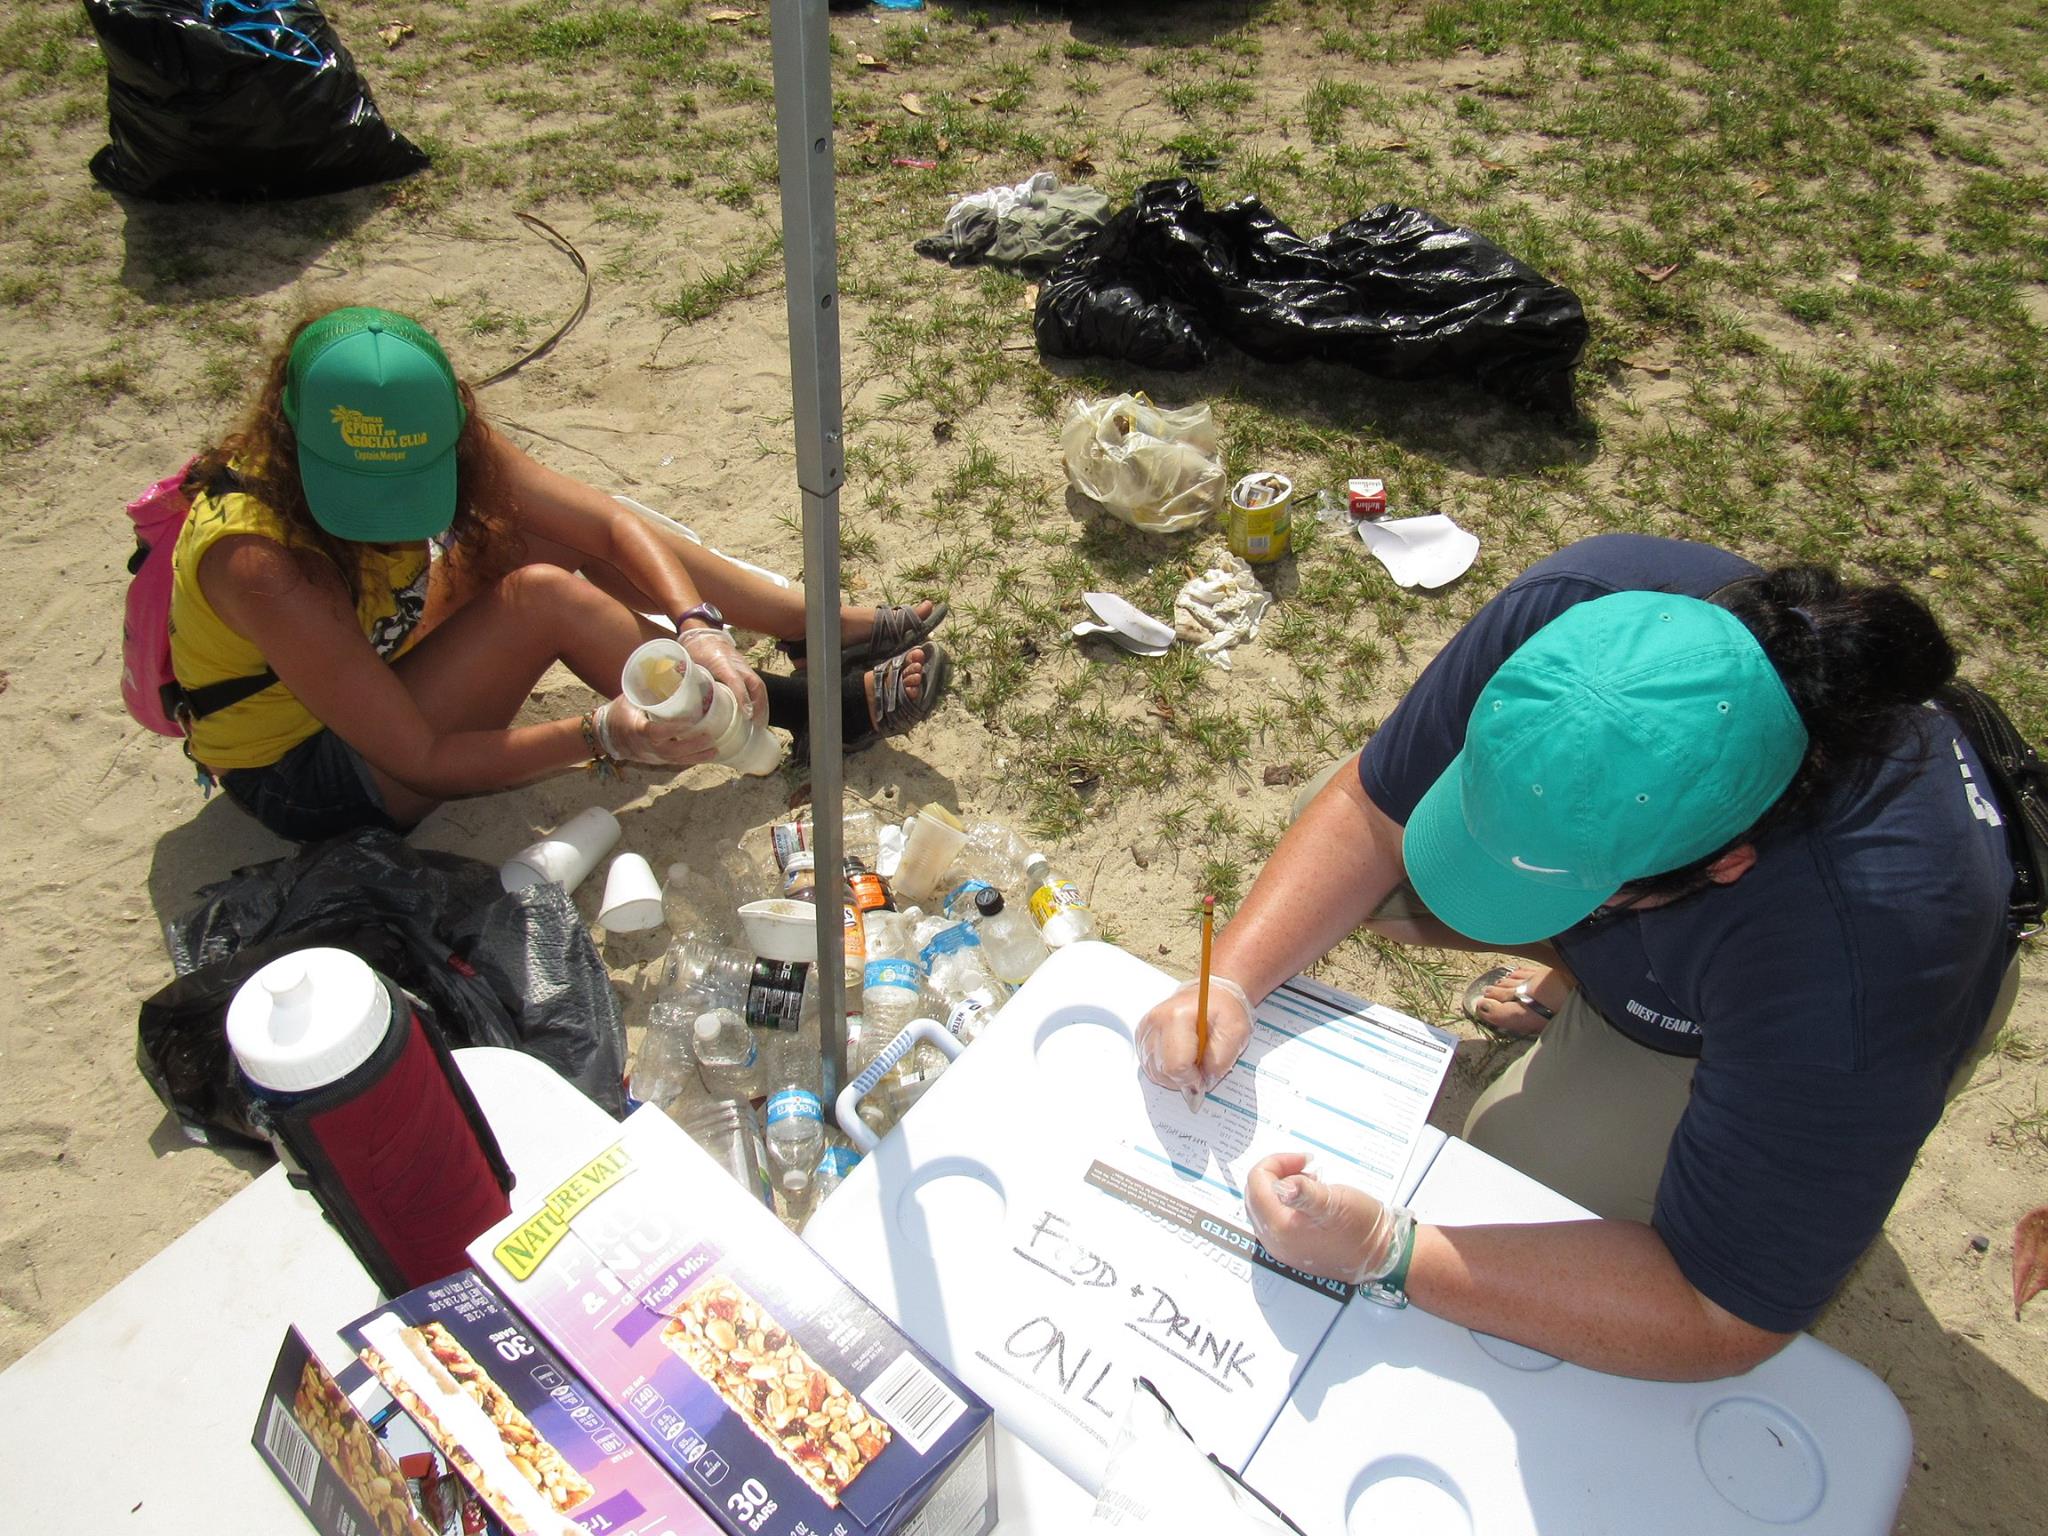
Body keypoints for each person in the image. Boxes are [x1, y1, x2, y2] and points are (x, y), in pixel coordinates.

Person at [1138, 533, 2020, 1381]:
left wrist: (1387, 1251)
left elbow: (1722, 1314)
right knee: (1339, 880)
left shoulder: (1859, 966)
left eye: (1563, 891)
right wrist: (1234, 982)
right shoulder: (1594, 612)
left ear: (1722, 865)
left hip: (1787, 1005)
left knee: (1517, 1171)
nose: (1462, 901)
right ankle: (1586, 980)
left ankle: (1655, 1034)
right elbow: (1372, 810)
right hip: (1704, 933)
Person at [169, 306, 951, 842]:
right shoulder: (261, 565)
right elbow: (420, 760)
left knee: (538, 529)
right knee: (541, 596)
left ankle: (796, 626)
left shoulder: (426, 428)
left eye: (415, 489)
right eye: (372, 501)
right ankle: (800, 712)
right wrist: (598, 732)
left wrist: (699, 629)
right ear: (294, 437)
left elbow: (608, 526)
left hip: (370, 658)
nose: (403, 524)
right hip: (314, 771)